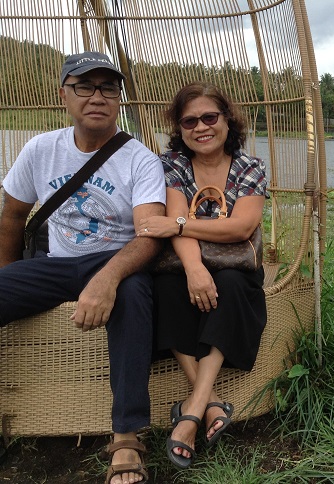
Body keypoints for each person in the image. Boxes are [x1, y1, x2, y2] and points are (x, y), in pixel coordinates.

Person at [0, 51, 166, 484]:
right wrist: (11, 277)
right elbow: (12, 217)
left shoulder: (140, 159)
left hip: (119, 262)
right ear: (64, 95)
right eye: (84, 86)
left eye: (108, 87)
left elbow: (150, 234)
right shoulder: (41, 149)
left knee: (133, 294)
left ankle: (126, 435)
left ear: (119, 99)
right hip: (56, 263)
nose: (97, 96)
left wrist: (107, 277)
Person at [137, 81, 267, 469]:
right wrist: (194, 269)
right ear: (180, 129)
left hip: (236, 267)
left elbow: (241, 228)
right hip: (183, 263)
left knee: (230, 283)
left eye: (209, 117)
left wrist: (178, 224)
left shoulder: (249, 167)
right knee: (165, 285)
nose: (201, 127)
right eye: (189, 121)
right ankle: (210, 403)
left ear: (227, 120)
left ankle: (192, 407)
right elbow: (177, 220)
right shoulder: (172, 165)